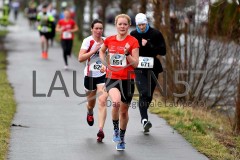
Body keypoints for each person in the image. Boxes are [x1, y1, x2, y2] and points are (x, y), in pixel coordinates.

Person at [99, 14, 139, 150]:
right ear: (116, 25)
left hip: (128, 79)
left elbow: (135, 64)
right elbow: (101, 51)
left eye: (125, 24)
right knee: (115, 102)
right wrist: (104, 63)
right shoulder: (109, 40)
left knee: (123, 112)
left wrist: (127, 54)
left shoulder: (133, 41)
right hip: (112, 78)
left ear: (129, 26)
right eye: (120, 24)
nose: (122, 26)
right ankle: (115, 130)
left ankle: (121, 138)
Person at [130, 13, 166, 133]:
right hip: (139, 68)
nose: (141, 27)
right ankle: (144, 120)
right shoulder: (133, 34)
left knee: (149, 95)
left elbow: (163, 51)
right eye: (139, 25)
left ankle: (144, 115)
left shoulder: (155, 34)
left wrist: (149, 44)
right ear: (136, 24)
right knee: (143, 92)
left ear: (147, 23)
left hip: (153, 68)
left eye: (143, 24)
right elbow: (130, 50)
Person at [78, 19, 108, 142]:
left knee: (102, 101)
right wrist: (93, 50)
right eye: (96, 28)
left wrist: (105, 65)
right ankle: (90, 112)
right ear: (92, 29)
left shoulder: (106, 41)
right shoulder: (87, 41)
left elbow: (111, 56)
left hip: (103, 75)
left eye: (101, 28)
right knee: (91, 103)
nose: (99, 30)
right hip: (89, 75)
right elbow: (80, 58)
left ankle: (100, 130)